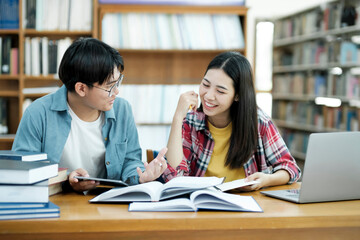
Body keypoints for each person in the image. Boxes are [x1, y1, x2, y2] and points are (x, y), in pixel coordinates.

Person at [12, 38, 167, 192]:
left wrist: (141, 176)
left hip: (108, 202)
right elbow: (24, 171)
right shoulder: (38, 113)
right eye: (109, 86)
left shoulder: (122, 110)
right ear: (81, 89)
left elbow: (130, 160)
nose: (116, 92)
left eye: (117, 82)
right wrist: (65, 180)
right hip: (58, 204)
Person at [162, 51, 300, 191]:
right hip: (202, 205)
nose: (209, 96)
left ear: (238, 95)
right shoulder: (191, 121)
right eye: (205, 84)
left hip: (249, 207)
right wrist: (178, 117)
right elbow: (174, 178)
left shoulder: (258, 122)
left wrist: (267, 180)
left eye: (220, 91)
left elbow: (290, 168)